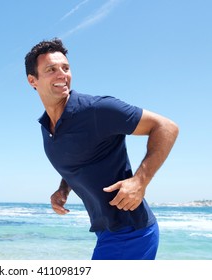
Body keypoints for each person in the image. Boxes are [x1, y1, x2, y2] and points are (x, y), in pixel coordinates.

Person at [24, 38, 179, 260]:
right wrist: (63, 190)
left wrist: (140, 181)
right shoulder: (47, 127)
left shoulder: (97, 110)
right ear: (33, 80)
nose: (62, 74)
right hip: (106, 231)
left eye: (65, 68)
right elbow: (80, 157)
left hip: (131, 233)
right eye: (51, 69)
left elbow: (166, 127)